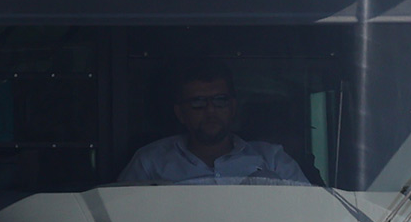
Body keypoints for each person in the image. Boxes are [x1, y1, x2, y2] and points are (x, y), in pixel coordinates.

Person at [115, 66, 309, 186]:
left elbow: (309, 215)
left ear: (233, 107)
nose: (210, 111)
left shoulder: (273, 160)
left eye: (220, 101)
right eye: (198, 103)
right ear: (180, 113)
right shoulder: (150, 162)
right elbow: (122, 219)